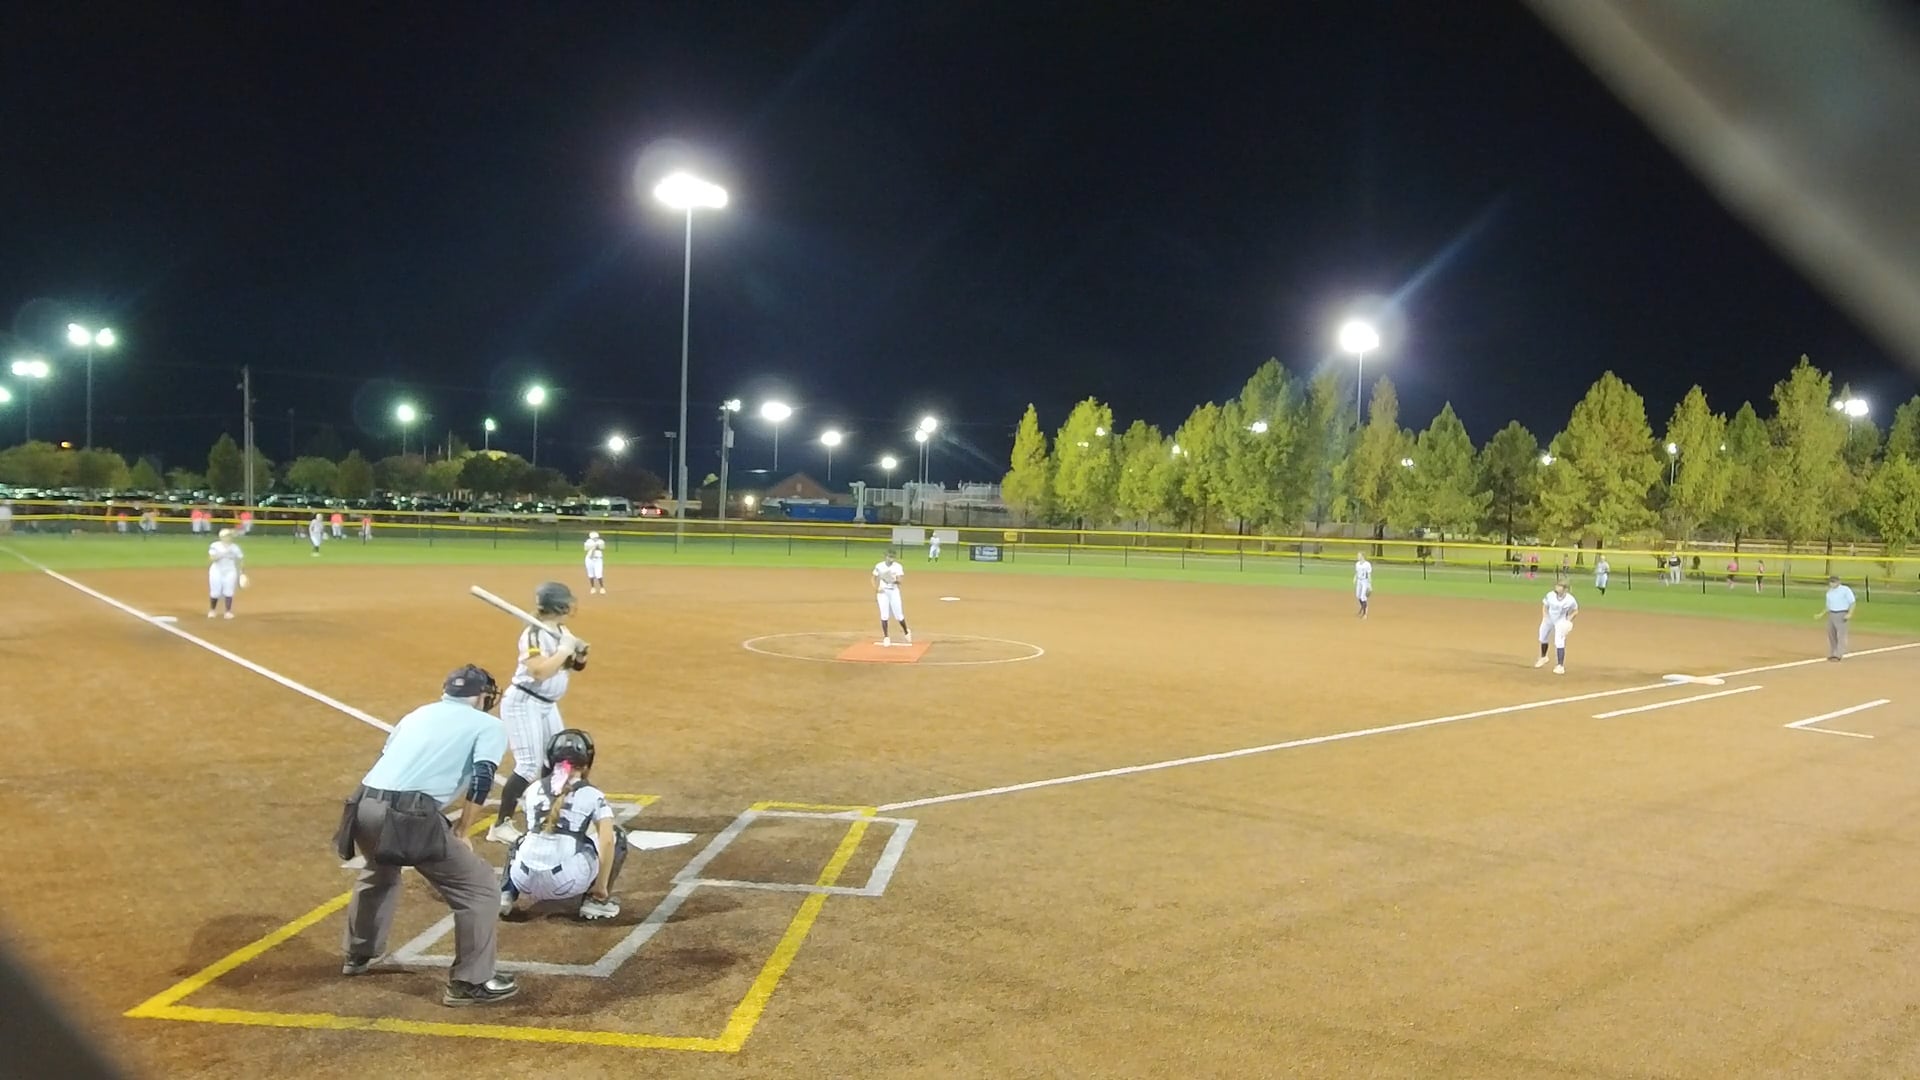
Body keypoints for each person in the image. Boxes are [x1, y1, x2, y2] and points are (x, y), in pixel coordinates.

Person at [336, 665, 517, 1006]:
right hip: (409, 815)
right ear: (481, 696)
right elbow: (482, 778)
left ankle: (358, 954)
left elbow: (387, 760)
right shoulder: (488, 725)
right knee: (479, 889)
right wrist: (462, 829)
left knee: (379, 871)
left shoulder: (416, 714)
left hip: (363, 805)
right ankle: (470, 983)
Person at [488, 583, 587, 844]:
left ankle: (549, 812)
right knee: (529, 765)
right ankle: (500, 825)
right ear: (559, 605)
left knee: (561, 758)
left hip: (547, 704)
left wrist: (579, 653)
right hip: (524, 702)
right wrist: (564, 649)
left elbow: (573, 666)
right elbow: (540, 672)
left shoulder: (561, 631)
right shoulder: (533, 634)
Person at [501, 729, 625, 922]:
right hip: (566, 882)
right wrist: (600, 886)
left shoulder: (533, 789)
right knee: (616, 837)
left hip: (523, 880)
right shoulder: (592, 794)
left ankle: (506, 893)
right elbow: (607, 842)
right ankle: (596, 901)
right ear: (586, 762)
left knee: (522, 840)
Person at [1535, 580, 1579, 675]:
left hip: (1561, 621)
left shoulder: (1570, 600)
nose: (1557, 588)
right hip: (1549, 618)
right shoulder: (1550, 595)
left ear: (1565, 589)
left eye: (1560, 586)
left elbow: (1575, 610)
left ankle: (1560, 666)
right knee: (1542, 637)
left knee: (1559, 641)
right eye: (1557, 586)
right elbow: (1545, 605)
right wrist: (1545, 615)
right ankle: (1543, 657)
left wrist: (1569, 619)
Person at [873, 548, 911, 647]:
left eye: (893, 557)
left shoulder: (898, 567)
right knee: (884, 615)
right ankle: (886, 637)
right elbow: (873, 578)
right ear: (885, 557)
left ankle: (906, 631)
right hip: (883, 592)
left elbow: (900, 580)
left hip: (894, 592)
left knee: (898, 615)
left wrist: (892, 580)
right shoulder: (879, 566)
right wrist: (876, 589)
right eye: (889, 557)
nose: (891, 559)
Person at [207, 528, 245, 619]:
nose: (228, 538)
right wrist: (224, 553)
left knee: (229, 591)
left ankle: (228, 612)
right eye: (226, 536)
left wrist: (242, 572)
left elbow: (241, 559)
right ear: (221, 537)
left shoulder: (235, 547)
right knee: (215, 592)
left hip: (230, 571)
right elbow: (212, 558)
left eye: (229, 536)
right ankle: (212, 610)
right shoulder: (215, 545)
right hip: (216, 571)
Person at [1820, 574, 1856, 660]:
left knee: (1841, 635)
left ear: (1838, 582)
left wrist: (1850, 613)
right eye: (1831, 582)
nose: (1832, 584)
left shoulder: (1845, 590)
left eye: (1834, 582)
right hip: (1831, 614)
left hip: (1842, 613)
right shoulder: (1829, 592)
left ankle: (1838, 654)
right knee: (1831, 634)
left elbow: (1852, 602)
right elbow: (1828, 606)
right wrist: (1821, 614)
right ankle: (1833, 652)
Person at [1353, 551, 1373, 619]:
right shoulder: (1357, 564)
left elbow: (1369, 574)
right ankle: (1362, 606)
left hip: (1365, 581)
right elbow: (1357, 572)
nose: (1357, 557)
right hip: (1359, 581)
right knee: (1358, 595)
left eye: (1359, 555)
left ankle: (1365, 614)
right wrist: (1355, 578)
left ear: (1362, 556)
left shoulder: (1367, 564)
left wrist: (1370, 585)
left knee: (1363, 597)